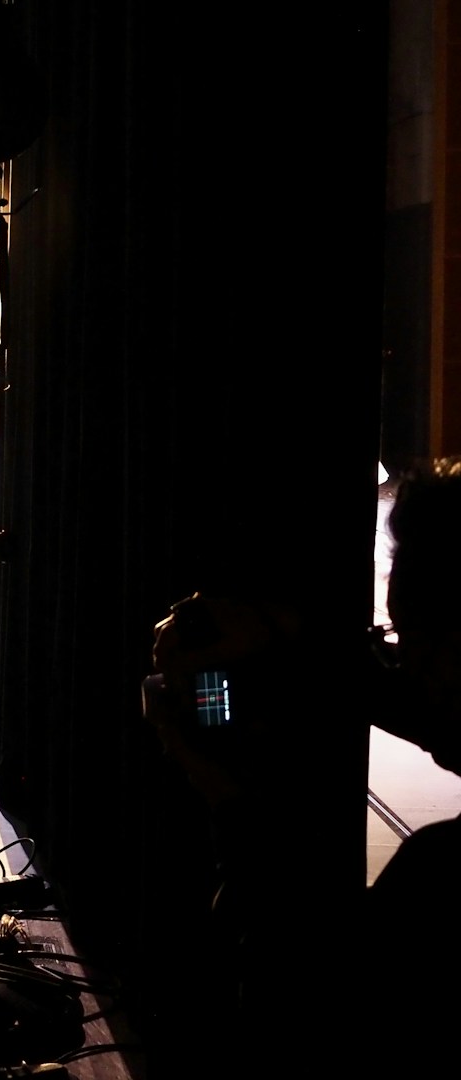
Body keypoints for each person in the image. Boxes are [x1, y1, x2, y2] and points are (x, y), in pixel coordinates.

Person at [144, 458, 460, 1073]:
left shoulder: (437, 881)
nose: (406, 667)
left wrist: (228, 801)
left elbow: (299, 1007)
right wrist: (283, 629)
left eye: (412, 643)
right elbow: (425, 707)